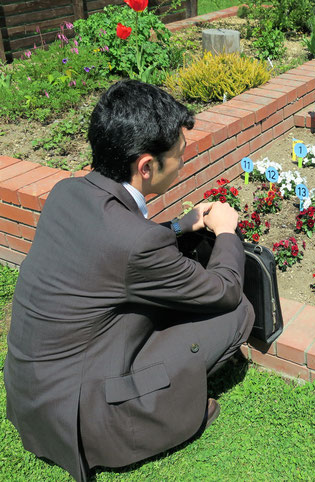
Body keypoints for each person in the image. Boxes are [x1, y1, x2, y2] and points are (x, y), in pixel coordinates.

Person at [3, 79, 254, 481]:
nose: (183, 161)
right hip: (82, 420)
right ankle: (171, 408)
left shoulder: (67, 192)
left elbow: (111, 248)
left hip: (31, 395)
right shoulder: (137, 243)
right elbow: (224, 291)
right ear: (146, 166)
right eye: (179, 155)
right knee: (238, 313)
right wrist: (225, 231)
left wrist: (174, 226)